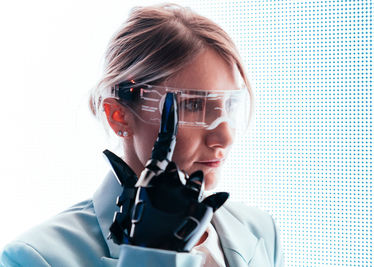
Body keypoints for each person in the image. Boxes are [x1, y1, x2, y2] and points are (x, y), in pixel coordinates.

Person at [1, 3, 284, 267]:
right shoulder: (35, 257)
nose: (224, 136)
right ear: (118, 116)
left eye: (230, 105)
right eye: (194, 105)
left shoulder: (261, 231)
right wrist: (151, 257)